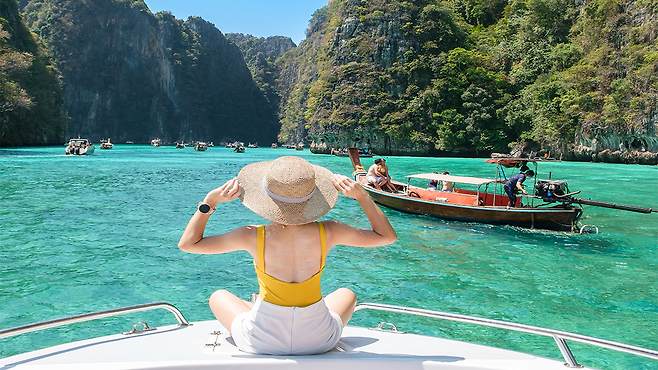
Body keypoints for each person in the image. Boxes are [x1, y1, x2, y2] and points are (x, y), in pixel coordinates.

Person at [178, 156, 397, 355]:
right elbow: (386, 237)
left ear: (265, 199)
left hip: (261, 341)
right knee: (346, 294)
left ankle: (265, 314)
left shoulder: (252, 235)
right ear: (313, 197)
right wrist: (363, 196)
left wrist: (210, 202)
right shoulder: (330, 231)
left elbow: (189, 244)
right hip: (318, 341)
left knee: (219, 296)